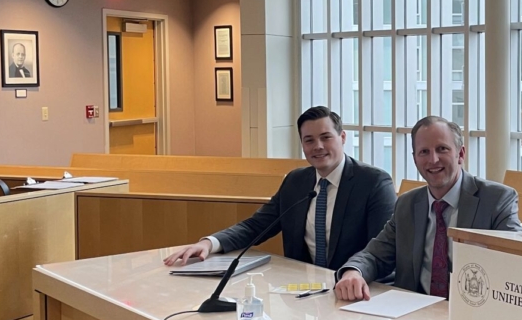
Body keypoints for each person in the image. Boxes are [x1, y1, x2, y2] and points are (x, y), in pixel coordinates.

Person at [164, 106, 396, 270]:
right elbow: (256, 226)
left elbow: (380, 252)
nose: (318, 146)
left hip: (358, 291)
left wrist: (351, 275)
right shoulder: (296, 182)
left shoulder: (374, 183)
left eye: (326, 137)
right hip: (304, 291)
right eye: (309, 140)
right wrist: (209, 243)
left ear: (342, 137)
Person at [336, 116, 521, 301]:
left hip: (474, 316)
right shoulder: (407, 204)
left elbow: (519, 261)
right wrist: (353, 272)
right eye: (424, 152)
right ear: (415, 159)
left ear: (461, 154)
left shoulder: (496, 200)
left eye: (442, 149)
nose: (433, 160)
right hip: (414, 315)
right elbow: (375, 255)